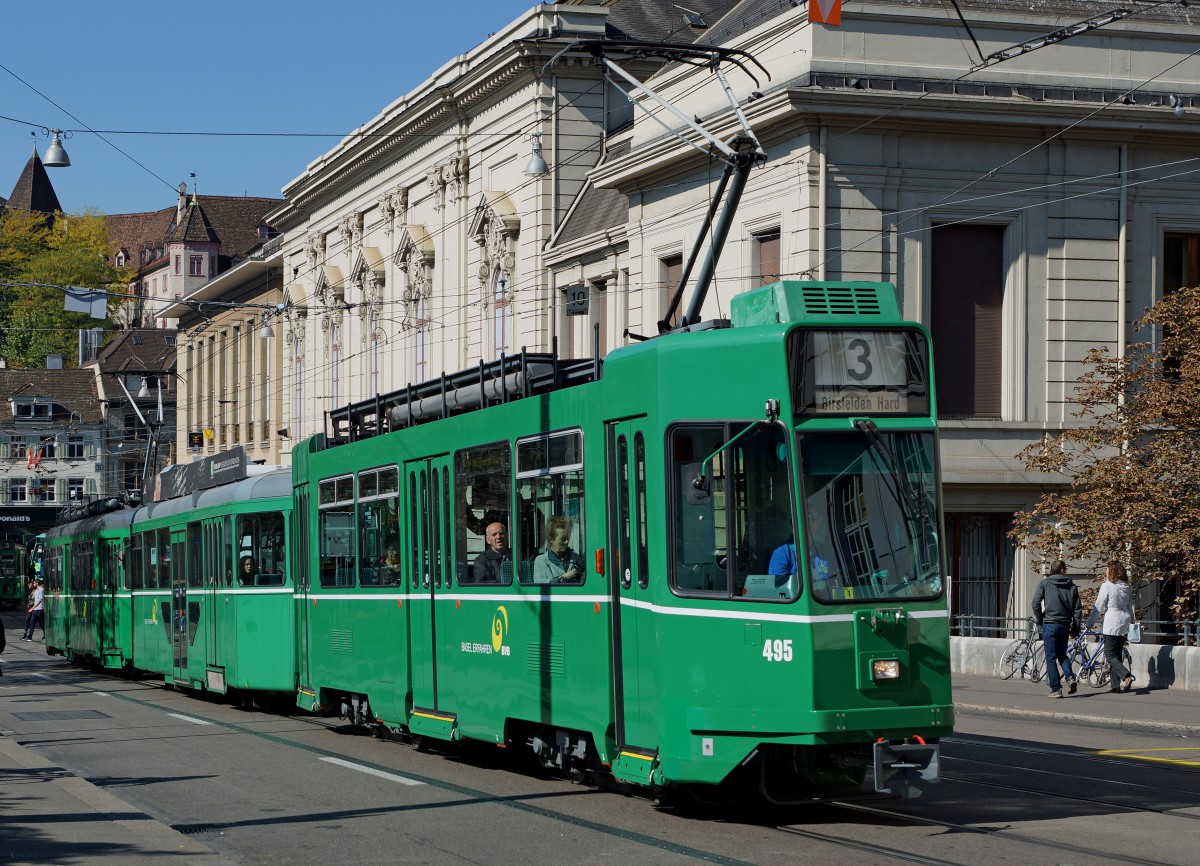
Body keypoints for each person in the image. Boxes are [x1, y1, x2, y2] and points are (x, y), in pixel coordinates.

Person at [1032, 560, 1082, 698]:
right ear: (1062, 570)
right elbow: (1077, 609)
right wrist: (1076, 627)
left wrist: (1040, 618)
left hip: (1049, 623)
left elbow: (1035, 603)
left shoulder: (1044, 583)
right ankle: (1070, 678)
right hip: (1065, 624)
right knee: (1062, 654)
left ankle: (1056, 689)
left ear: (1051, 570)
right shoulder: (1072, 586)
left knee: (1051, 657)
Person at [1094, 560, 1137, 692]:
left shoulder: (1107, 585)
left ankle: (1126, 676)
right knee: (1117, 654)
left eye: (1107, 569)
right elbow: (1131, 606)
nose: (1106, 571)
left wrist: (1090, 623)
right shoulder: (1127, 586)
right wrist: (1132, 622)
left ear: (1111, 571)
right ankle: (1115, 686)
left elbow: (1099, 606)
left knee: (1110, 655)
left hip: (1112, 622)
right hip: (1124, 622)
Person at [531, 516, 584, 584]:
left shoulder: (575, 558)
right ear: (551, 539)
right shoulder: (541, 561)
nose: (566, 542)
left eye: (567, 538)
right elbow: (540, 584)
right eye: (563, 539)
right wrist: (563, 577)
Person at [21, 577, 45, 641]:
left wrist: (32, 607)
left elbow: (40, 600)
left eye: (34, 583)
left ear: (37, 583)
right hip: (34, 609)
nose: (33, 584)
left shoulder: (41, 589)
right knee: (32, 622)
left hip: (40, 609)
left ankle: (45, 634)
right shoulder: (36, 590)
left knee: (42, 623)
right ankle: (29, 637)